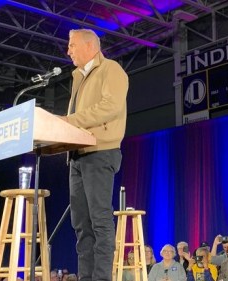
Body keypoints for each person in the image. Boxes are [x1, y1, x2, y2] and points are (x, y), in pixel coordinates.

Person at [63, 28, 129, 281]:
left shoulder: (111, 69)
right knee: (81, 225)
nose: (68, 50)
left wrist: (70, 121)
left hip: (100, 151)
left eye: (72, 45)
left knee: (100, 221)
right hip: (77, 154)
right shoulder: (78, 77)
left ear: (90, 46)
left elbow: (110, 107)